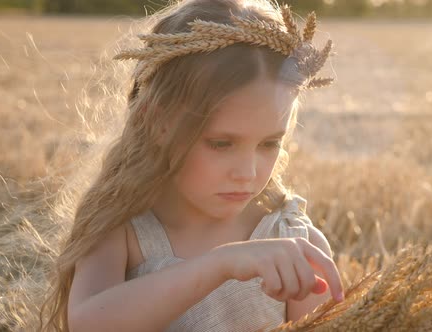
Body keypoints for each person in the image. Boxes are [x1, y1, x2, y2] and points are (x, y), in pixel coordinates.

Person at [39, 0, 344, 331]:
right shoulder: (122, 226)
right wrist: (220, 265)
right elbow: (89, 323)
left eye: (269, 144)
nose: (248, 173)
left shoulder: (297, 244)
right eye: (220, 144)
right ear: (157, 122)